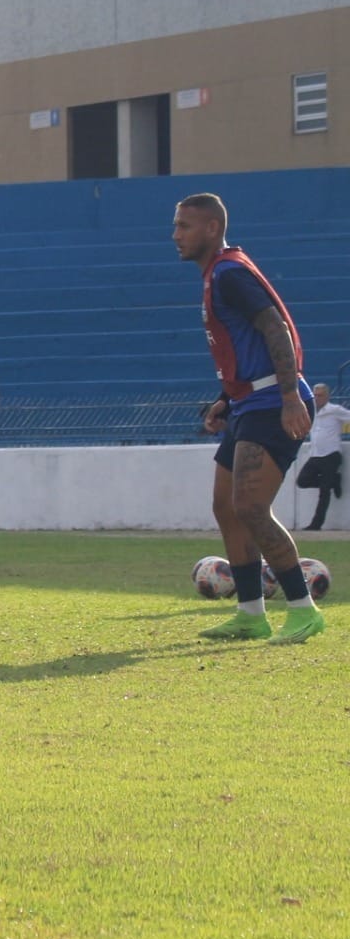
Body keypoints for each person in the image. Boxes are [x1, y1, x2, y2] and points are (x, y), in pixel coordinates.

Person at [174, 192, 323, 644]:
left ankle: (303, 610)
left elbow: (274, 327)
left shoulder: (229, 273)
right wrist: (225, 397)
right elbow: (244, 346)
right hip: (248, 403)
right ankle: (250, 613)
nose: (175, 235)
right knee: (226, 507)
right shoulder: (217, 275)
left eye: (184, 226)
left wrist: (289, 397)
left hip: (271, 404)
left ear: (212, 229)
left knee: (251, 508)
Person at [295, 382, 349, 532]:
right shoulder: (310, 411)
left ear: (327, 396)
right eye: (316, 395)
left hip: (331, 454)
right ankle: (333, 481)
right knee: (302, 481)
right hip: (316, 455)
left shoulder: (334, 410)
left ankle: (316, 524)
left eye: (320, 395)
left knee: (324, 492)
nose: (317, 398)